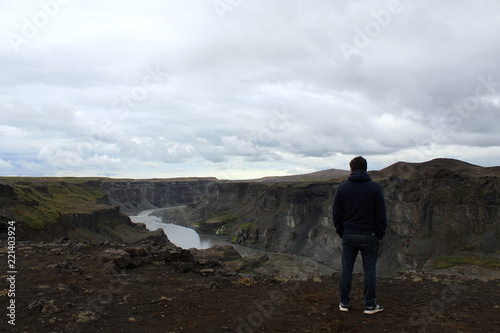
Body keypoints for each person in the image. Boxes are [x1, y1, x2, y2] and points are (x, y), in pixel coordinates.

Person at [332, 156, 387, 314]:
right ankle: (369, 305)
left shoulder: (342, 188)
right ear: (365, 169)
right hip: (369, 235)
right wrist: (380, 234)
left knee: (346, 269)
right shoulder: (374, 187)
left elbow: (337, 214)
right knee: (369, 271)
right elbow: (381, 215)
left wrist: (342, 232)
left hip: (349, 235)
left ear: (351, 169)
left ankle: (344, 303)